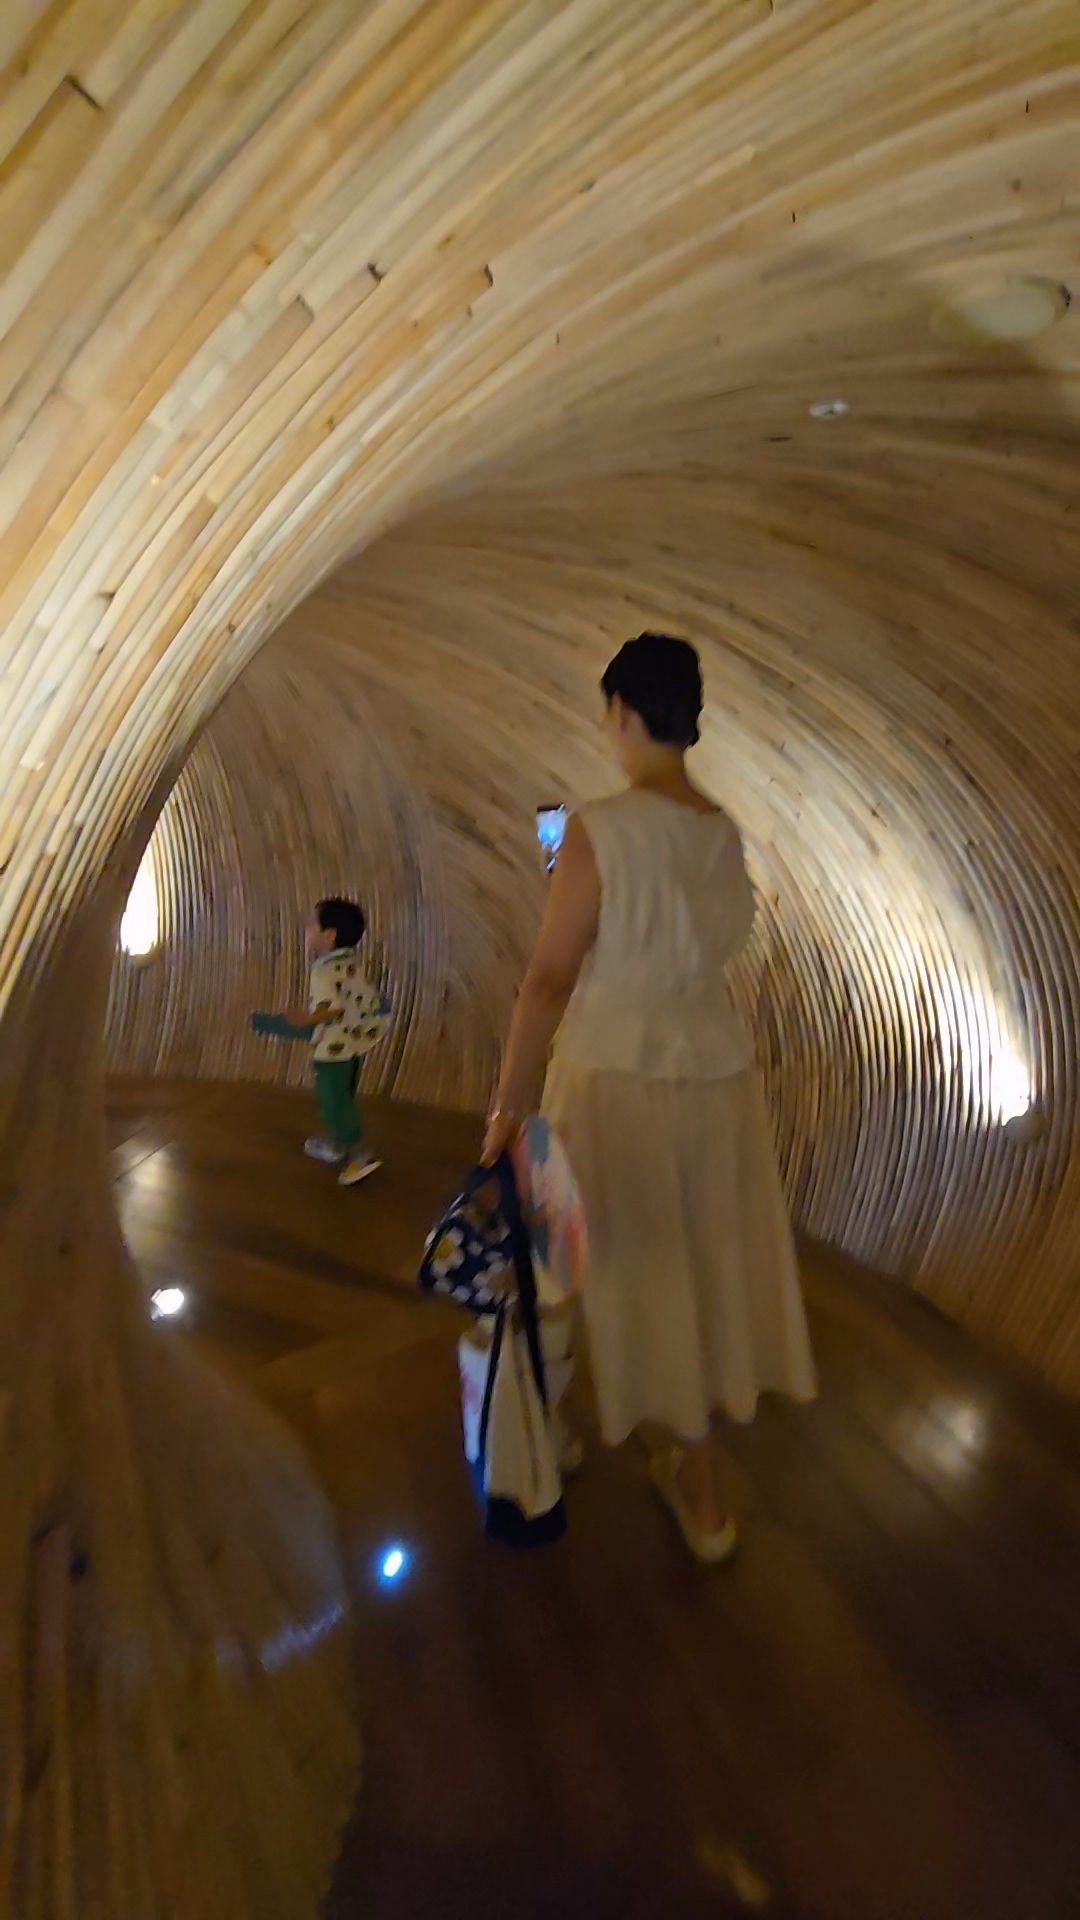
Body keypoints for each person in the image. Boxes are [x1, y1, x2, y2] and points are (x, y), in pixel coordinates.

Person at [482, 633, 816, 1564]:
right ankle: (704, 1501)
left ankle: (541, 1443)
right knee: (689, 1273)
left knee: (558, 1258)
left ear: (624, 713)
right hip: (715, 1079)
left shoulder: (596, 830)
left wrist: (506, 1108)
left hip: (610, 1076)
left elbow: (549, 980)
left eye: (609, 713)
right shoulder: (722, 833)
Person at [250, 896, 387, 1187]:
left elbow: (332, 1008)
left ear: (329, 934)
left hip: (333, 1050)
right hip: (353, 1046)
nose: (307, 928)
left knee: (333, 1101)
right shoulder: (351, 963)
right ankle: (335, 1145)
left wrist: (307, 1018)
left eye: (312, 923)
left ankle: (359, 1156)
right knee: (344, 1096)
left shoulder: (323, 969)